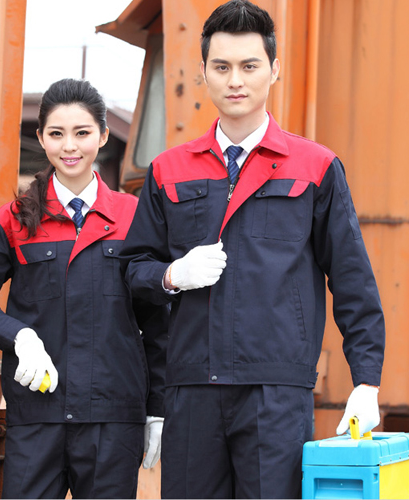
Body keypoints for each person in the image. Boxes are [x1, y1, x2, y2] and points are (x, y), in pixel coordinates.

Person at [119, 1, 385, 498]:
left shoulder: (315, 167)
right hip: (192, 390)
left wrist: (366, 381)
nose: (235, 81)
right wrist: (172, 274)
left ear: (274, 69)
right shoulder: (169, 170)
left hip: (275, 393)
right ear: (203, 73)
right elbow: (133, 269)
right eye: (221, 67)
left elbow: (352, 280)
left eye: (249, 66)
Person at [0, 78, 168, 499]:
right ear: (41, 138)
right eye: (56, 133)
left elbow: (158, 323)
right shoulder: (14, 219)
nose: (70, 146)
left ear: (103, 136)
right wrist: (20, 336)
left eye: (82, 132)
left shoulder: (135, 217)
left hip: (112, 418)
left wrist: (158, 408)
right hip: (38, 414)